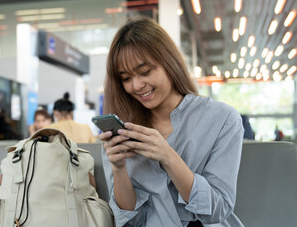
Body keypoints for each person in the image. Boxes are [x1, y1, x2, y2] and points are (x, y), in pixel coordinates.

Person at [99, 16, 244, 227]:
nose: (137, 85)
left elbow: (218, 209)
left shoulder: (223, 120)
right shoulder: (123, 129)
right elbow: (131, 222)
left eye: (145, 71)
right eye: (126, 78)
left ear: (168, 61)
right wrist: (119, 168)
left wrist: (167, 156)